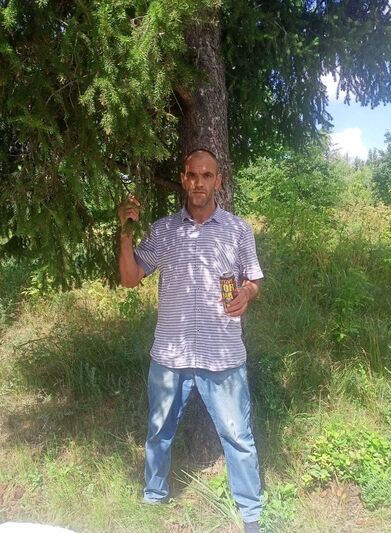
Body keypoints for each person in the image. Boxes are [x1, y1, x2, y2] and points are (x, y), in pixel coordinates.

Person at [118, 149, 263, 533]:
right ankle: (153, 498)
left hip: (223, 354)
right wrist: (126, 232)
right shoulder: (164, 230)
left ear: (218, 181)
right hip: (171, 354)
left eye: (207, 175)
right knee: (158, 432)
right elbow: (130, 278)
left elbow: (254, 279)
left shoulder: (238, 230)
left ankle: (250, 513)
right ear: (183, 179)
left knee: (238, 436)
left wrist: (247, 294)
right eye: (192, 175)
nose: (199, 182)